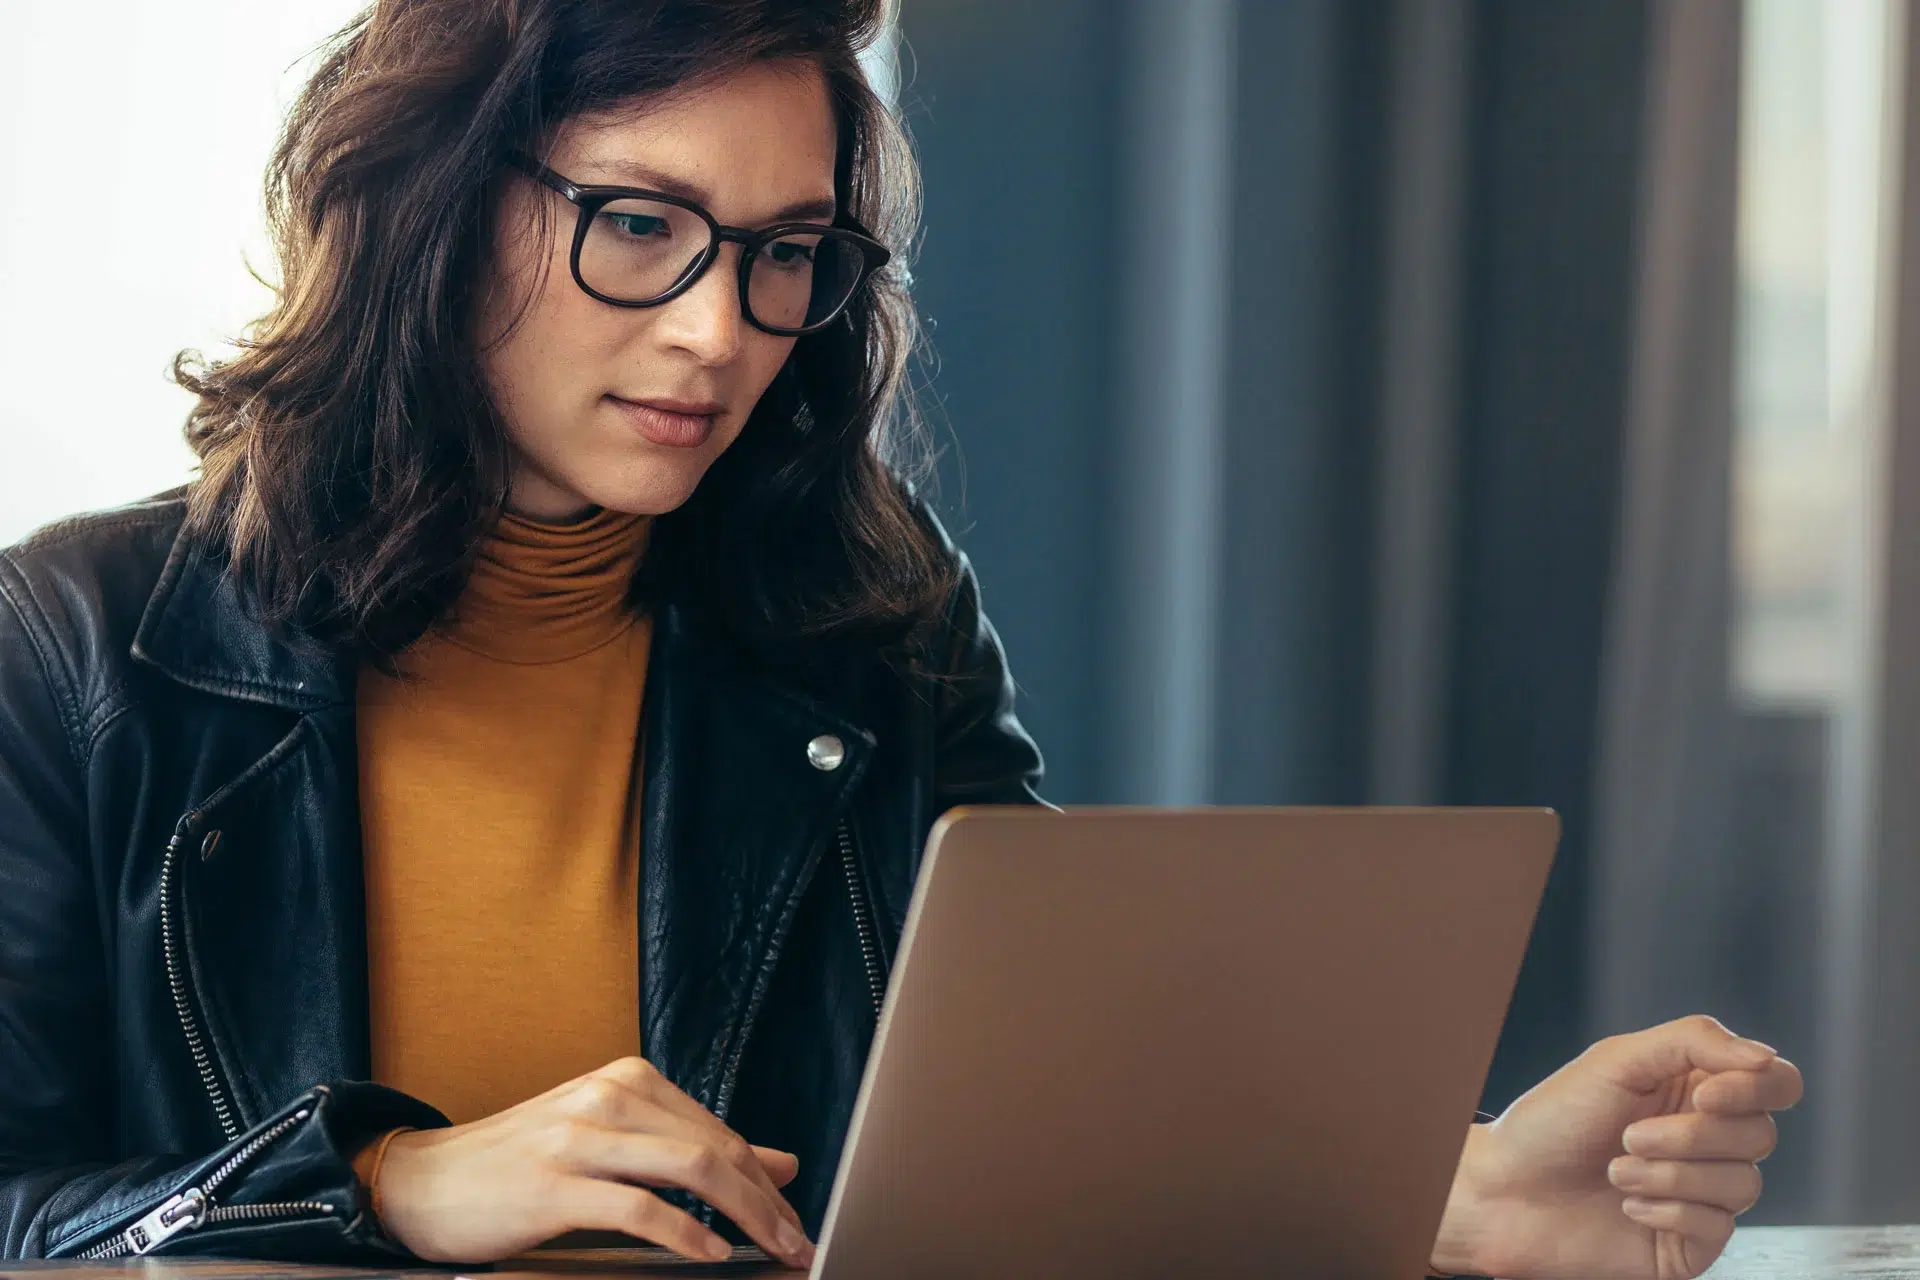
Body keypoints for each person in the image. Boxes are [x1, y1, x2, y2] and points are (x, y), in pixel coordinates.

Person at [0, 0, 1801, 1276]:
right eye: (641, 226)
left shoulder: (863, 614)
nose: (721, 328)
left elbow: (1036, 1122)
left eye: (787, 251)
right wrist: (386, 1185)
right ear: (432, 206)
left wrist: (1452, 1196)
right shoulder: (80, 647)